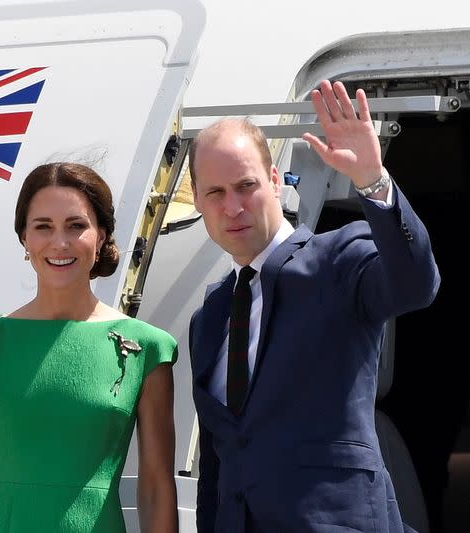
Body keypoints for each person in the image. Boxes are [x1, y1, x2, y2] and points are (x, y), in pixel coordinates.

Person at [187, 79, 440, 532]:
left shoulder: (339, 258)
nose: (233, 207)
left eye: (246, 186)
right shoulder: (209, 317)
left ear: (275, 180)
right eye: (216, 193)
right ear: (198, 199)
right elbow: (218, 464)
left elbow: (415, 284)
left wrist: (373, 182)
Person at [0, 162, 179, 532]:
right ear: (24, 238)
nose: (60, 243)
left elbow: (156, 487)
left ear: (102, 235)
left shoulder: (146, 346)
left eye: (76, 226)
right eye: (43, 227)